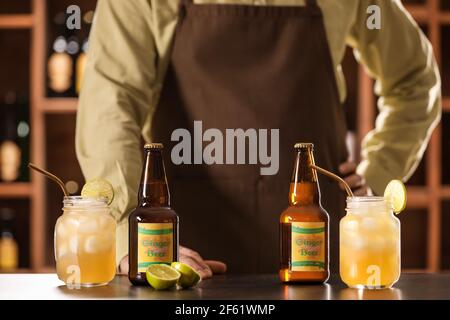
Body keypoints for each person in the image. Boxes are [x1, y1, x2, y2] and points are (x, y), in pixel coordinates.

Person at [75, 0, 441, 279]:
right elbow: (109, 103)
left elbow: (414, 81)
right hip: (183, 264)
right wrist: (130, 233)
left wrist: (376, 179)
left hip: (316, 257)